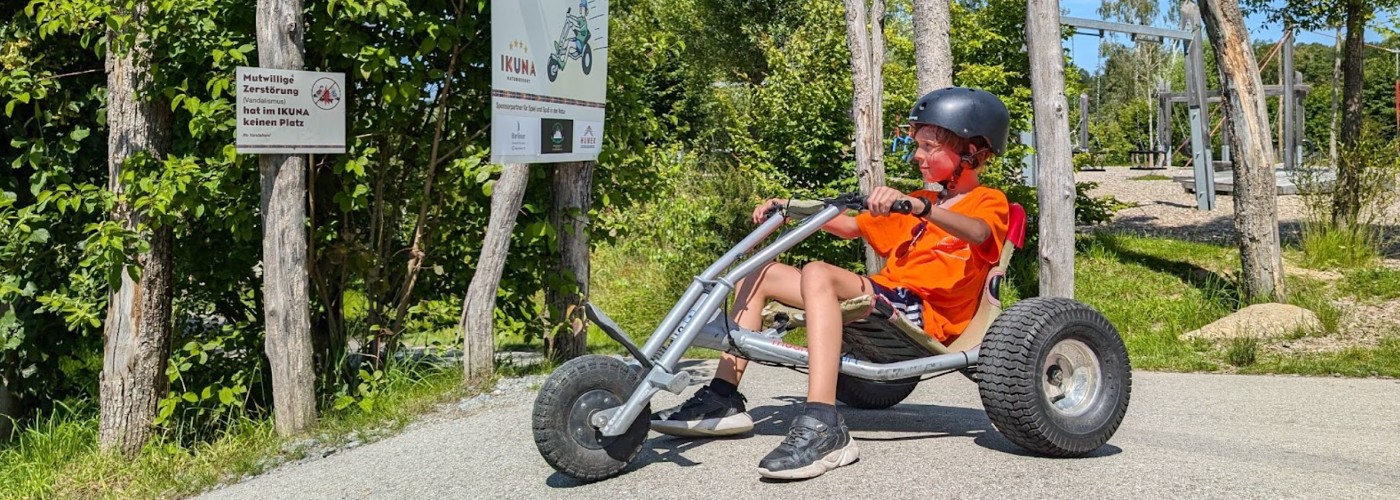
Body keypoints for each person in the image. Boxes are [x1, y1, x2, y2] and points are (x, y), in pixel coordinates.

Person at [650, 87, 1014, 480]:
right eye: (916, 146)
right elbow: (852, 226)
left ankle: (825, 424)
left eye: (928, 147)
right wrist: (790, 207)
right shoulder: (920, 198)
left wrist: (921, 208)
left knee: (819, 272)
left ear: (971, 152)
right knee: (761, 271)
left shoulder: (986, 202)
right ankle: (722, 399)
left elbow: (979, 234)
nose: (917, 156)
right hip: (886, 295)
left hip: (924, 314)